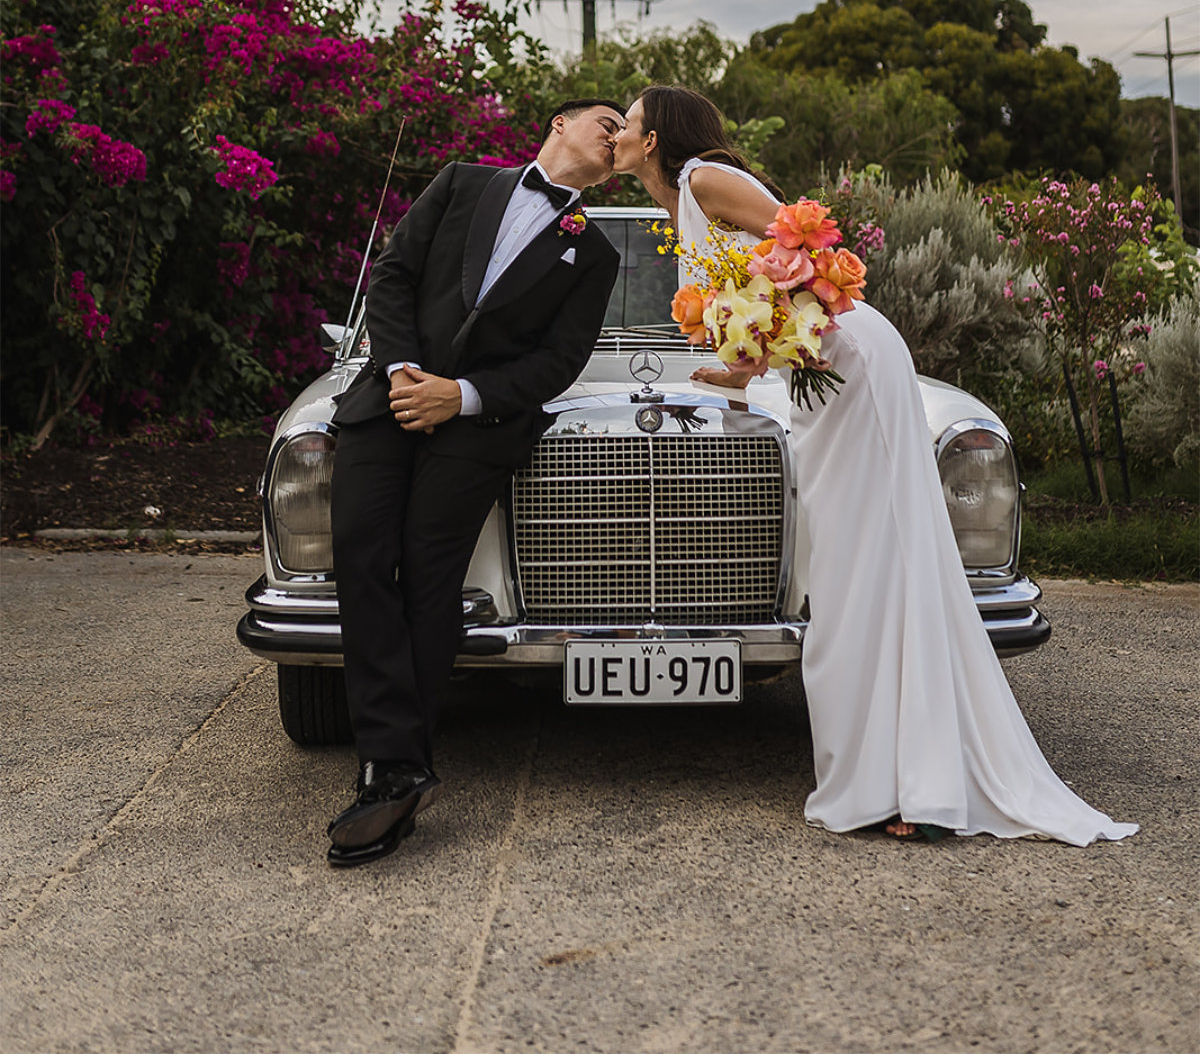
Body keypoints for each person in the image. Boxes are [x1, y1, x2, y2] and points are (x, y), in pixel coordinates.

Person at [611, 85, 1138, 847]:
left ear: (655, 136)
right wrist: (742, 362)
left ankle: (917, 785)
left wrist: (765, 336)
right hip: (810, 367)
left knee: (871, 564)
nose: (619, 136)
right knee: (852, 568)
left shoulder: (699, 175)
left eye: (625, 124)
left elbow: (809, 252)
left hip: (849, 359)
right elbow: (761, 287)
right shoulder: (679, 202)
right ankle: (897, 777)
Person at [326, 100, 624, 867]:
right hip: (387, 400)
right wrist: (402, 374)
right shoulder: (462, 181)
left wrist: (457, 395)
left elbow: (557, 363)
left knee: (430, 578)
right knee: (361, 559)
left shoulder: (593, 253)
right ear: (559, 123)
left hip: (478, 426)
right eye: (607, 119)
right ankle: (401, 764)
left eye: (626, 135)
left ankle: (389, 772)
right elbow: (393, 275)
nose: (618, 135)